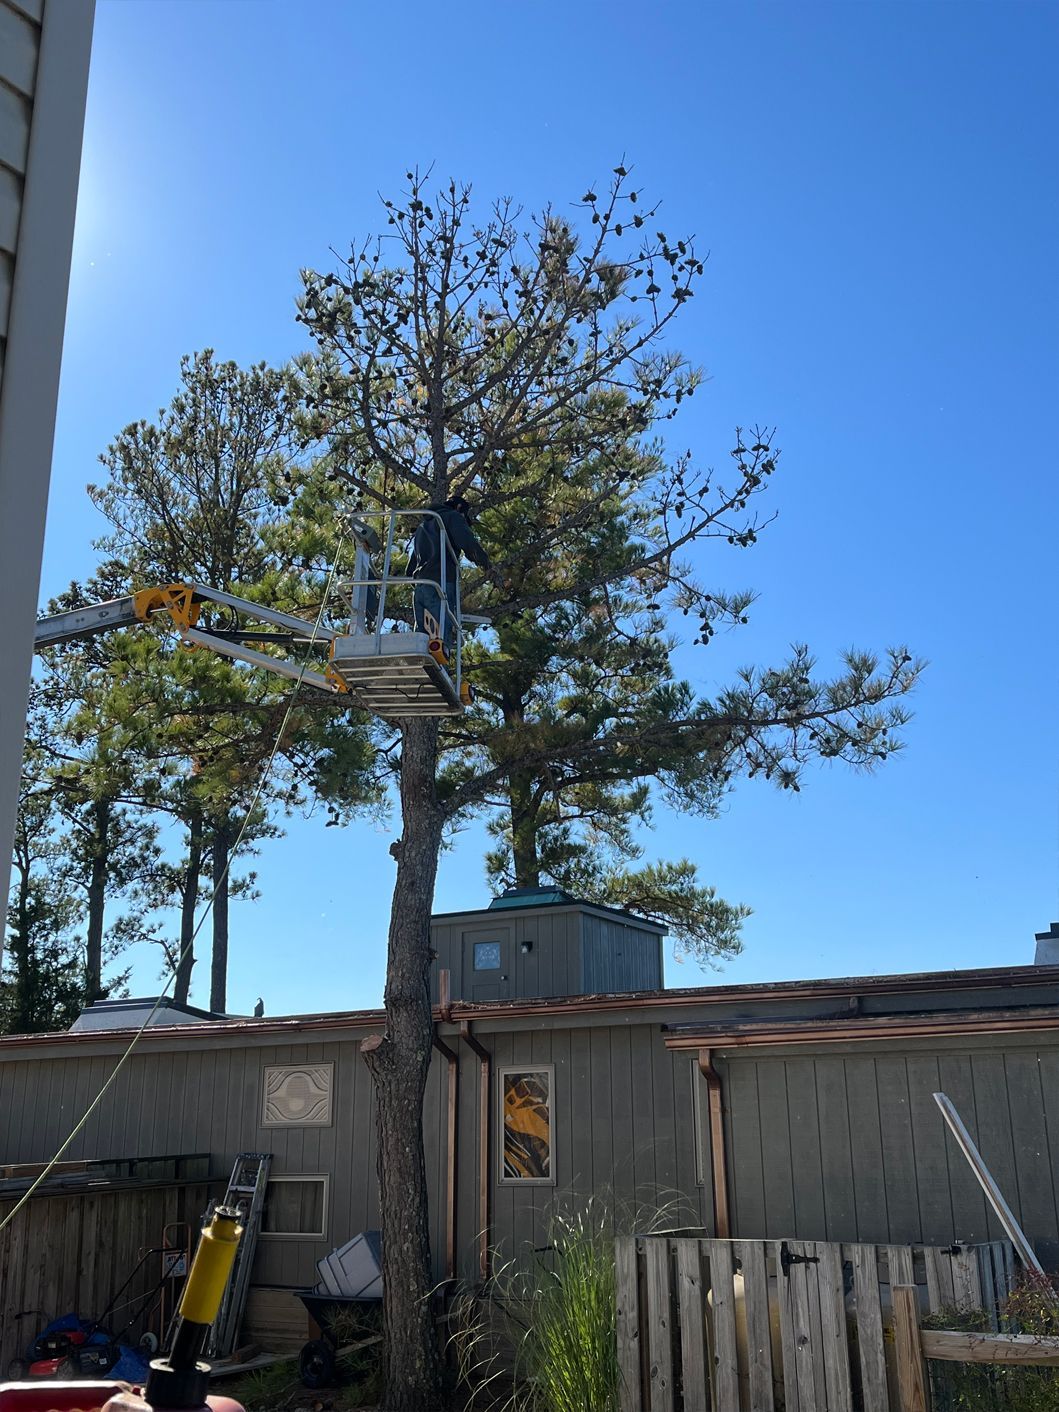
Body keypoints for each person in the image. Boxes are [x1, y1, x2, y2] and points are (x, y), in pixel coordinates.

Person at [408, 496, 490, 655]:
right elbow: (467, 542)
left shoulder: (422, 527)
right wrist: (486, 564)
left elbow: (411, 566)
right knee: (439, 641)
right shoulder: (452, 517)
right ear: (459, 507)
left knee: (422, 640)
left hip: (421, 587)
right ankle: (437, 674)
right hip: (441, 583)